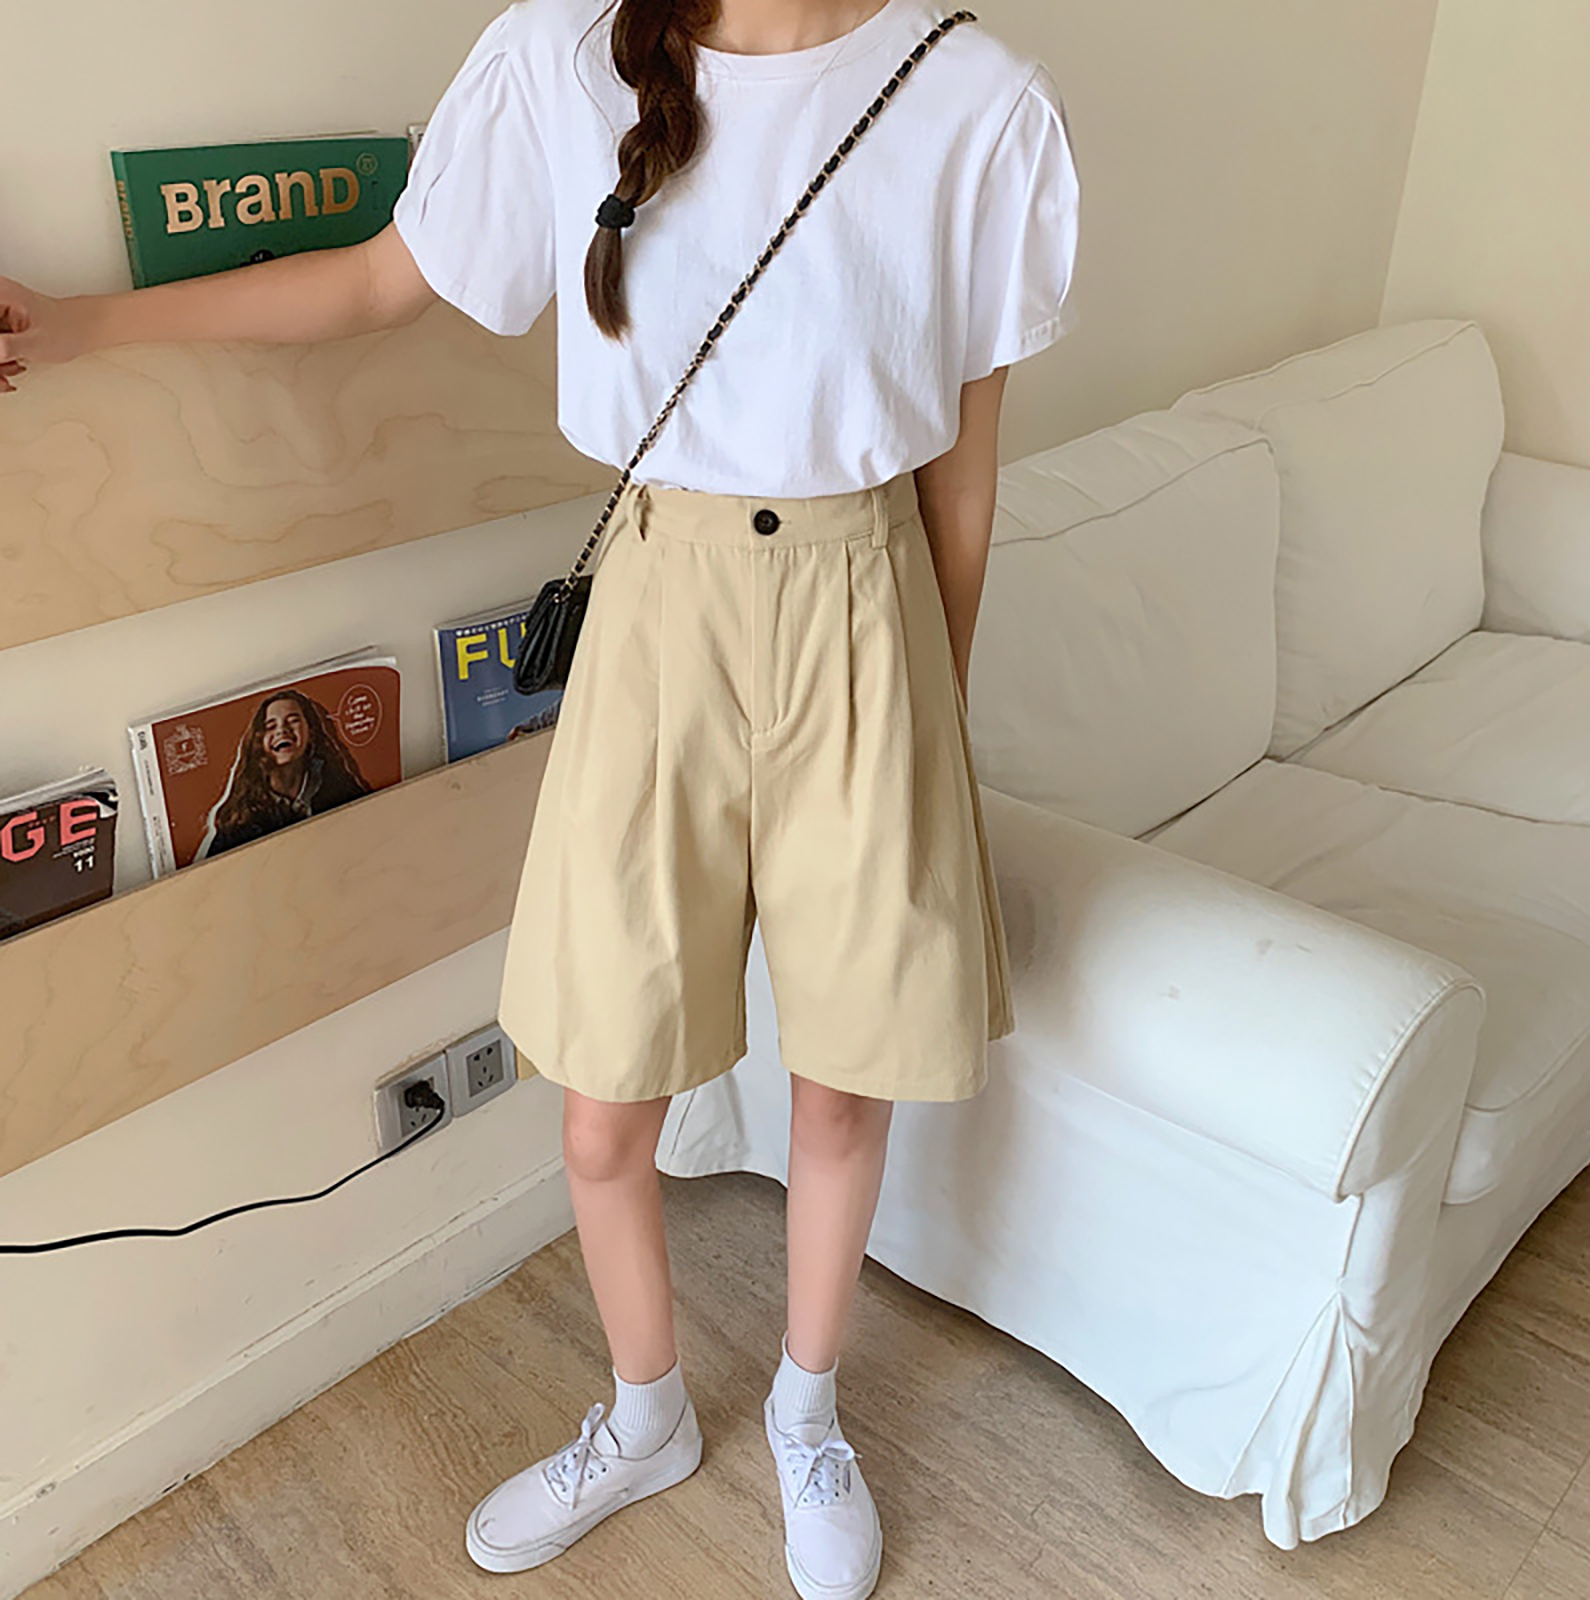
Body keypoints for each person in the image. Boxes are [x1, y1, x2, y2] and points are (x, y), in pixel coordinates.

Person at [0, 1, 1079, 1594]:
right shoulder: (564, 56)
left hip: (872, 609)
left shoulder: (977, 100)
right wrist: (80, 326)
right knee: (597, 1099)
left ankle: (808, 1413)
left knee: (847, 1083)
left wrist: (938, 718)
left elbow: (963, 477)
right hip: (657, 602)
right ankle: (647, 1416)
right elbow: (377, 281)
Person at [197, 690, 374, 859]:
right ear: (259, 741)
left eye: (293, 720)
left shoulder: (340, 789)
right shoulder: (241, 819)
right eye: (270, 726)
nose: (282, 730)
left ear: (311, 732)